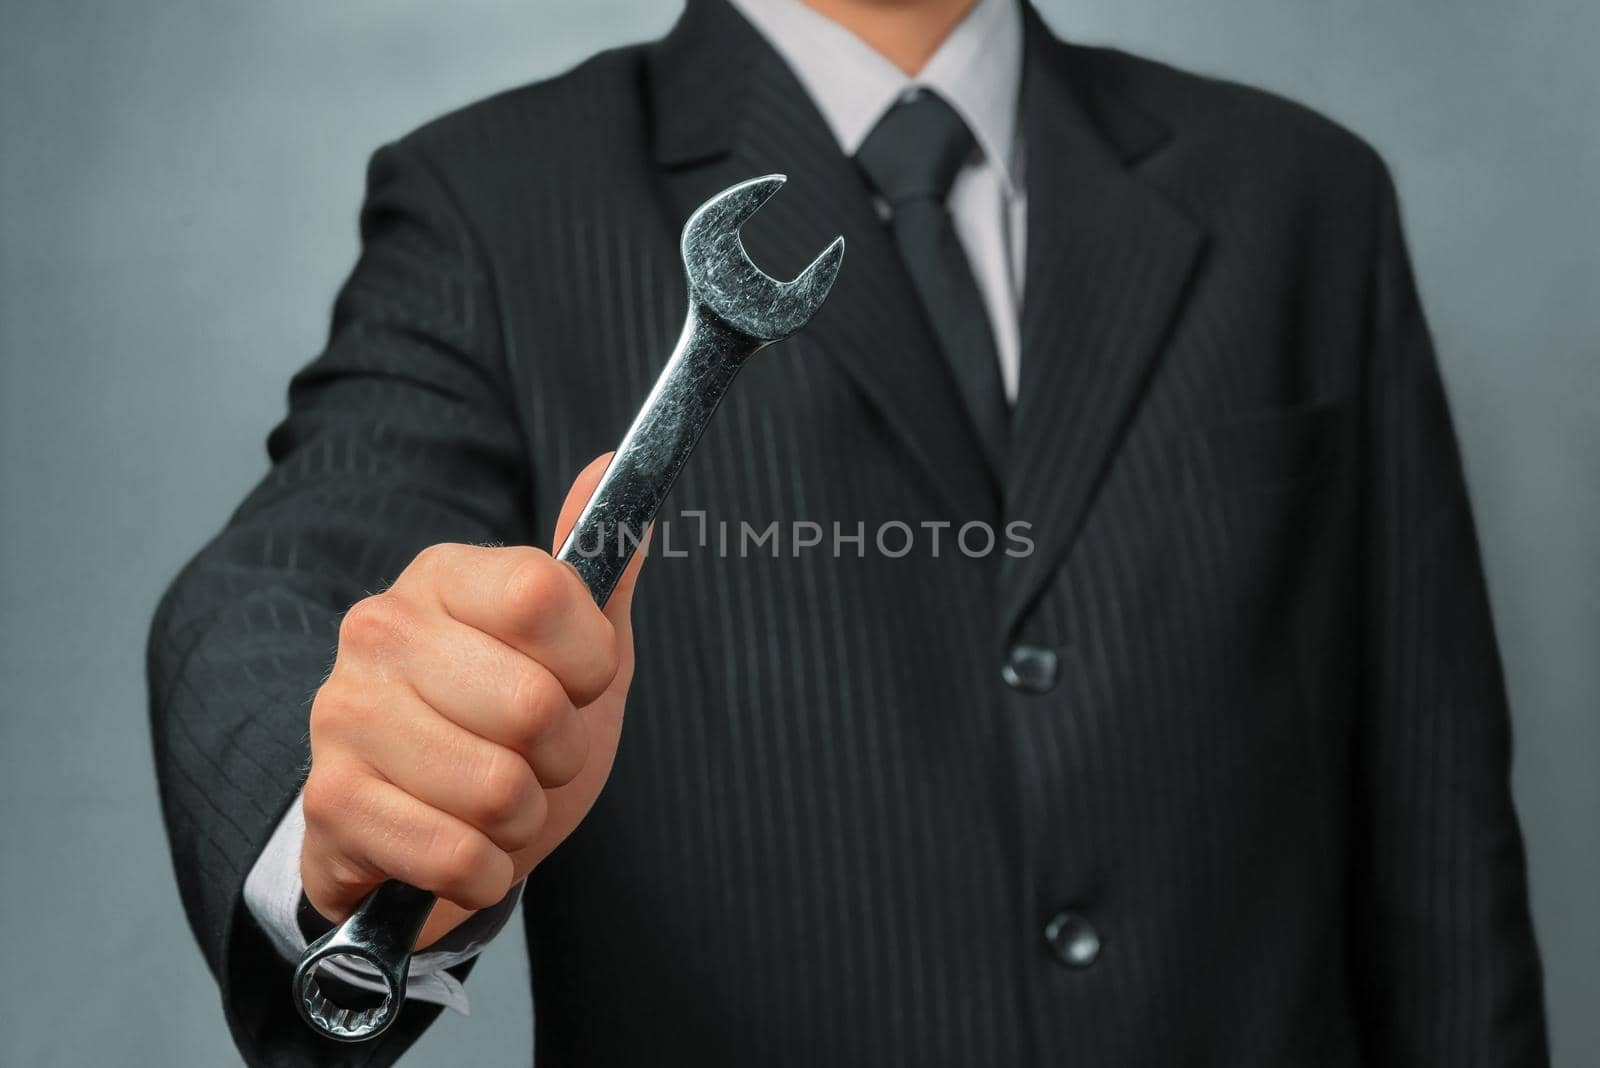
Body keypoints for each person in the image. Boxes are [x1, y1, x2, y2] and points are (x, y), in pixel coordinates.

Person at [147, 0, 1549, 1064]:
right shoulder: (491, 197)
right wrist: (347, 817)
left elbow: (1437, 837)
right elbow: (283, 575)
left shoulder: (1304, 198)